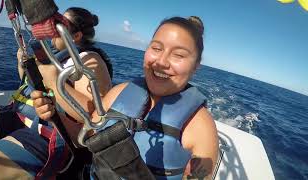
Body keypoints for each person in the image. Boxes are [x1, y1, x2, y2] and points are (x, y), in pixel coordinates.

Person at [33, 16, 219, 179]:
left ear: (196, 66)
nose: (161, 62)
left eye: (178, 55)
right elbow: (85, 139)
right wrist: (55, 115)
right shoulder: (120, 92)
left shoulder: (200, 125)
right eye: (156, 48)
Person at [0, 7, 112, 179]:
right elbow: (29, 86)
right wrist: (22, 64)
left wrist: (54, 82)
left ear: (76, 36)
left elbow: (95, 118)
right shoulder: (55, 56)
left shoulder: (89, 61)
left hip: (49, 137)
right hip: (20, 116)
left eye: (58, 25)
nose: (51, 30)